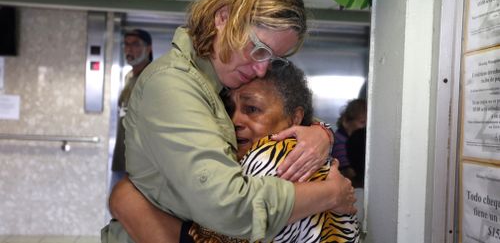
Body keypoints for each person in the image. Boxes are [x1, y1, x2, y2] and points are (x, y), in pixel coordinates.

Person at [102, 0, 356, 243]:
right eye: (258, 48)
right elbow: (231, 208)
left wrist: (320, 131)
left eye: (272, 59)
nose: (261, 69)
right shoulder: (172, 85)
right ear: (224, 18)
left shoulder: (221, 80)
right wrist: (331, 194)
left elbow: (284, 113)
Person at [110, 62, 360, 243]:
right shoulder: (303, 150)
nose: (235, 120)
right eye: (230, 109)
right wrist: (322, 130)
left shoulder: (277, 160)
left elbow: (232, 222)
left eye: (252, 109)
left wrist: (129, 203)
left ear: (294, 117)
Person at [110, 29, 154, 190]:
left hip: (139, 166)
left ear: (148, 48)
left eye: (135, 44)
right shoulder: (129, 77)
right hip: (121, 160)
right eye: (126, 44)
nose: (129, 49)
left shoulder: (153, 78)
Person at [331, 99, 367, 180]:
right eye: (362, 122)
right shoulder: (339, 142)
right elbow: (348, 172)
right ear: (346, 121)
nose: (366, 127)